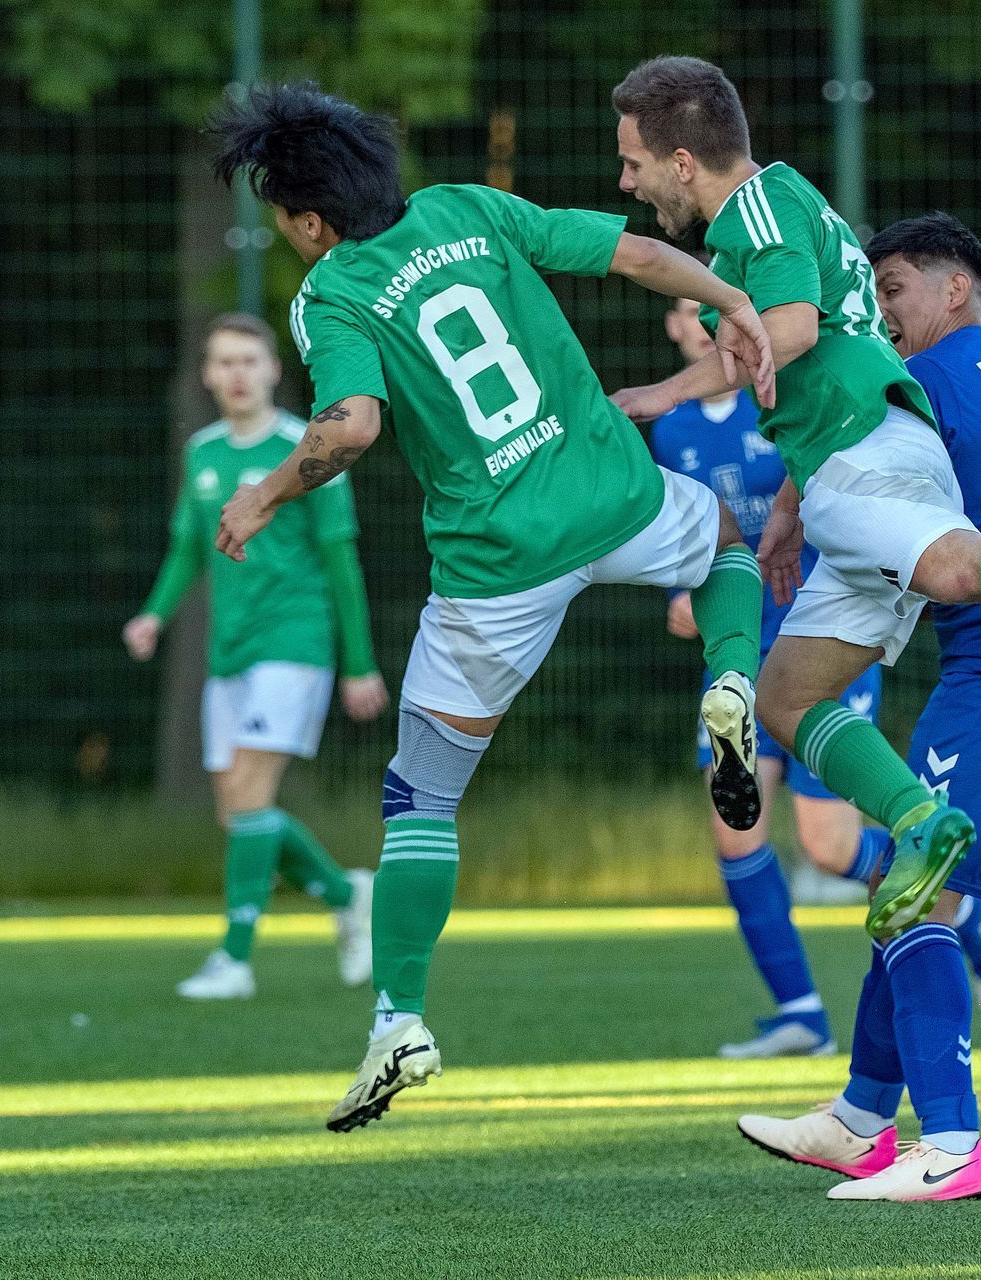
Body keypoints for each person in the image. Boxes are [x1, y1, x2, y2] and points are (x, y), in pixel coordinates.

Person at [208, 81, 777, 1132]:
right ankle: (733, 677)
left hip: (497, 563)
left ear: (309, 221)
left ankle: (399, 1020)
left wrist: (266, 492)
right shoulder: (466, 205)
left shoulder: (332, 292)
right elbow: (636, 255)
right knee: (727, 544)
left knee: (422, 796)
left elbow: (353, 424)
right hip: (616, 495)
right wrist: (734, 304)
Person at [608, 57, 981, 962]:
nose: (625, 181)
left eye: (634, 162)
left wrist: (671, 388)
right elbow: (819, 351)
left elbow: (794, 330)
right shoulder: (761, 222)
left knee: (954, 567)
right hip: (848, 459)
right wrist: (788, 498)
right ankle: (920, 821)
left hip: (865, 453)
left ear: (683, 161)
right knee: (784, 698)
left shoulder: (758, 208)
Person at [735, 212, 981, 1201]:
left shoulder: (929, 379)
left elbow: (842, 440)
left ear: (957, 289)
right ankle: (860, 1118)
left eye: (894, 288)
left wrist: (787, 512)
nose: (880, 314)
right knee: (909, 887)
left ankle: (952, 1144)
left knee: (915, 888)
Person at [650, 294, 887, 1059]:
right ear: (675, 326)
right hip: (737, 655)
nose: (706, 324)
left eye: (717, 309)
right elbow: (674, 532)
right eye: (691, 310)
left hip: (822, 639)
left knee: (828, 846)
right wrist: (681, 593)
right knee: (735, 833)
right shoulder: (670, 428)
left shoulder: (786, 398)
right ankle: (802, 1014)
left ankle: (962, 895)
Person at [123, 312, 386, 1000]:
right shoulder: (203, 451)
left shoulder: (309, 449)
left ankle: (234, 960)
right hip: (230, 650)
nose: (237, 374)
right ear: (207, 375)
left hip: (294, 642)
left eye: (249, 360)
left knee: (247, 794)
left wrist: (359, 663)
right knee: (237, 812)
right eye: (224, 361)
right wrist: (153, 614)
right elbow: (188, 547)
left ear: (273, 369)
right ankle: (347, 893)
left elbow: (341, 560)